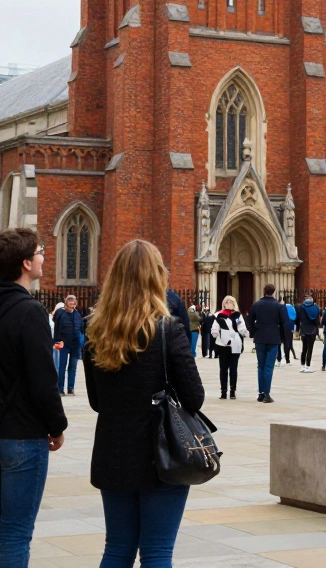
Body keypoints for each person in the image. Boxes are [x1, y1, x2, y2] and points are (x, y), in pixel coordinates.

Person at [83, 240, 203, 568]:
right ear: (157, 277)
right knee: (157, 552)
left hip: (112, 450)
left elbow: (96, 401)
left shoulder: (96, 331)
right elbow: (194, 398)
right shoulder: (167, 329)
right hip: (161, 453)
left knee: (117, 549)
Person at [0, 228, 67, 568]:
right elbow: (43, 379)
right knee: (16, 534)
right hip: (22, 433)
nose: (43, 257)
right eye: (39, 252)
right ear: (25, 263)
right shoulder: (30, 310)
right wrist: (56, 426)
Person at [247, 284, 288, 402]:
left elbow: (249, 320)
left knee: (260, 366)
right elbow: (285, 323)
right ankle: (266, 393)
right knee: (269, 367)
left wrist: (253, 332)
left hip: (260, 337)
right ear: (274, 292)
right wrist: (282, 337)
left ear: (264, 291)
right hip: (273, 338)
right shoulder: (279, 306)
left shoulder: (256, 305)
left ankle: (261, 392)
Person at [210, 296, 247, 399]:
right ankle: (223, 391)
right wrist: (215, 333)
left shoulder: (237, 316)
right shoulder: (219, 315)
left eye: (231, 302)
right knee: (223, 368)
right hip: (222, 344)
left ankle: (232, 390)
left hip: (234, 344)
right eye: (227, 302)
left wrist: (245, 332)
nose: (229, 303)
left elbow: (241, 327)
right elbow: (215, 328)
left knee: (233, 368)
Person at [52, 295, 85, 397]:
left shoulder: (77, 314)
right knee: (62, 366)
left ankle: (71, 388)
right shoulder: (60, 313)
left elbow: (81, 328)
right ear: (66, 302)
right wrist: (56, 341)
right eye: (70, 300)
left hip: (75, 344)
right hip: (63, 343)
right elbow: (56, 327)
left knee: (73, 366)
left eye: (74, 301)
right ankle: (60, 389)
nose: (72, 303)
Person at [295, 292, 321, 373]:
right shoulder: (315, 308)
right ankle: (308, 366)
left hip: (303, 330)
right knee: (310, 349)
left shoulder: (301, 308)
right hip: (312, 331)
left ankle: (302, 366)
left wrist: (298, 329)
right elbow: (317, 322)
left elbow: (297, 319)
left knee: (304, 348)